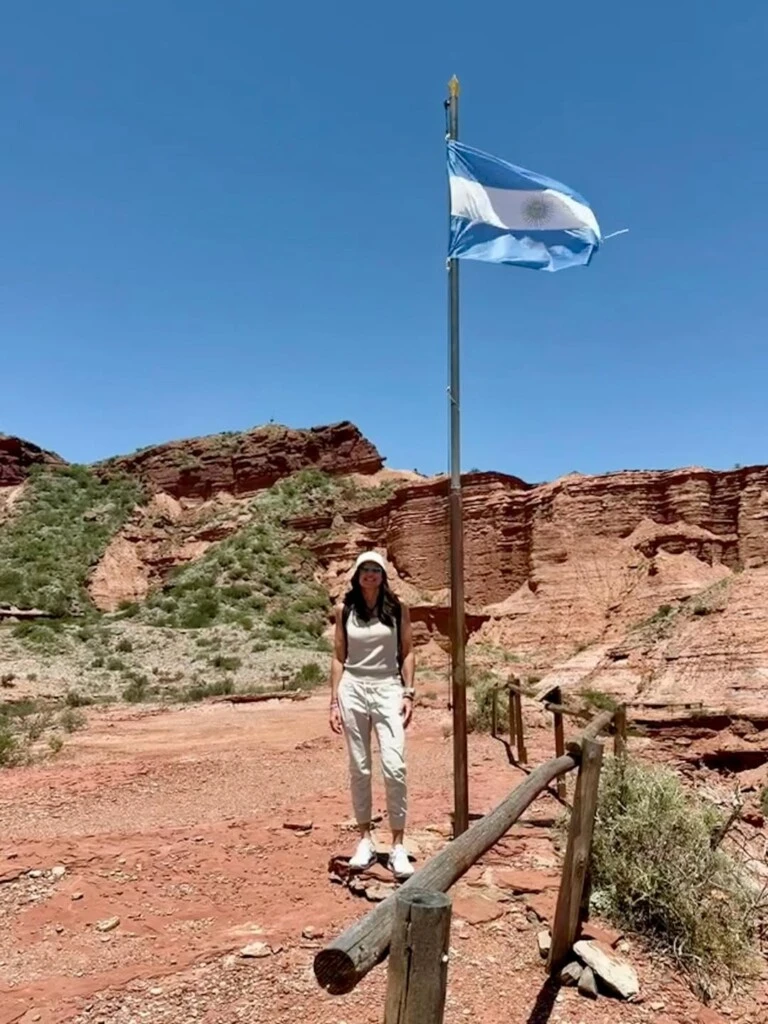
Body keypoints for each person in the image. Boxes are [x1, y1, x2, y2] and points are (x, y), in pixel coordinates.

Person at [329, 551, 415, 880]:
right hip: (352, 688)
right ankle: (365, 838)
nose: (369, 574)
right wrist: (333, 702)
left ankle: (397, 845)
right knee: (359, 766)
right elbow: (339, 656)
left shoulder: (397, 609)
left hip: (388, 687)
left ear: (383, 575)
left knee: (394, 765)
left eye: (375, 569)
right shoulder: (344, 610)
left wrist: (409, 692)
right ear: (356, 574)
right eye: (364, 569)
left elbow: (407, 651)